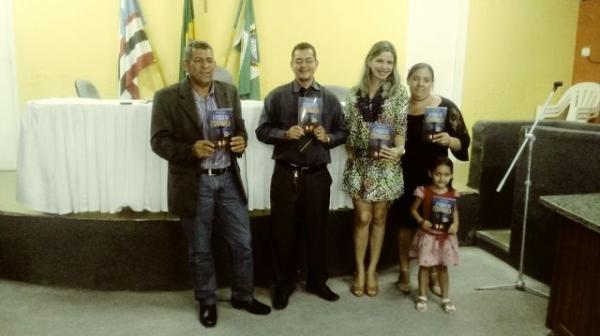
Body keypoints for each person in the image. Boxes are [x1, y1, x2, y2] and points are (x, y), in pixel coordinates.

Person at [150, 40, 270, 328]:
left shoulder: (228, 91)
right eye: (198, 61)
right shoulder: (167, 97)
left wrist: (241, 142)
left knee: (243, 243)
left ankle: (243, 295)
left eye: (209, 61)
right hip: (195, 182)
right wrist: (190, 150)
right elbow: (159, 141)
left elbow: (238, 129)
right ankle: (207, 300)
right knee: (200, 248)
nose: (205, 66)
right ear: (186, 65)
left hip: (228, 178)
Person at [256, 42, 348, 310]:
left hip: (317, 175)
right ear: (292, 64)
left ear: (316, 63)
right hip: (286, 174)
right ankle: (283, 284)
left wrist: (327, 137)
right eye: (299, 61)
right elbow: (261, 130)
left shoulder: (330, 99)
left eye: (309, 60)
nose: (304, 65)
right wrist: (284, 134)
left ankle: (317, 281)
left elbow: (343, 132)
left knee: (318, 230)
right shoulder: (277, 96)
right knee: (282, 231)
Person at [394, 62, 470, 295]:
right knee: (406, 223)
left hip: (436, 176)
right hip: (404, 173)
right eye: (416, 78)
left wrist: (450, 140)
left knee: (438, 226)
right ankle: (404, 271)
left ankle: (436, 274)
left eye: (426, 79)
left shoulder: (446, 106)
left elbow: (464, 142)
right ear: (408, 80)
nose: (420, 84)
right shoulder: (399, 107)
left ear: (432, 82)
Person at [341, 41, 408, 297]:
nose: (384, 66)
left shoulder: (399, 93)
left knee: (380, 218)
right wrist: (350, 146)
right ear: (369, 61)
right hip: (359, 164)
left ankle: (372, 270)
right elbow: (347, 131)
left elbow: (401, 130)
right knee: (362, 218)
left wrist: (399, 150)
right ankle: (359, 269)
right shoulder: (352, 93)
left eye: (389, 62)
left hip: (385, 165)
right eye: (380, 60)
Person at [409, 156, 460, 313]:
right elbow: (413, 210)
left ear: (451, 175)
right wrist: (421, 221)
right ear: (430, 173)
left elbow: (455, 212)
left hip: (445, 238)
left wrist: (455, 224)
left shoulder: (453, 194)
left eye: (446, 175)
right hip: (428, 236)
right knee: (424, 267)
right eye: (438, 174)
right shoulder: (423, 191)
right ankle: (422, 295)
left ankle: (445, 297)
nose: (442, 178)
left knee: (443, 268)